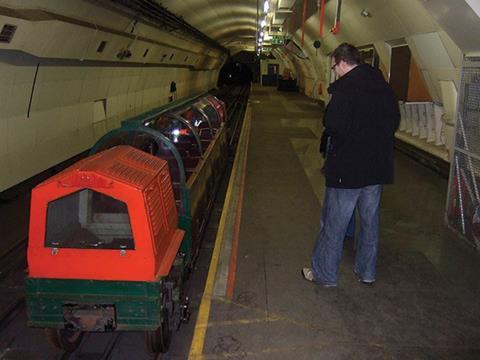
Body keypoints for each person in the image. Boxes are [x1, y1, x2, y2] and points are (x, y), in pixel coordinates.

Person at [302, 43, 400, 287]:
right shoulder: (382, 86)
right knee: (370, 223)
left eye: (334, 67)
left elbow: (332, 123)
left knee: (334, 223)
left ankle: (324, 274)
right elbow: (395, 121)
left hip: (349, 169)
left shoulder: (346, 88)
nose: (335, 71)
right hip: (377, 168)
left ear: (342, 62)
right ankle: (367, 272)